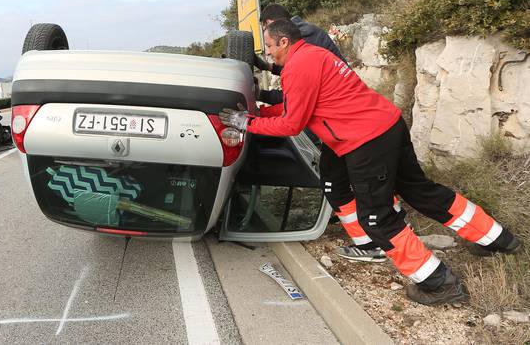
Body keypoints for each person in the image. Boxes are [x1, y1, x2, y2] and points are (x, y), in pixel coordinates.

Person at [220, 19, 521, 305]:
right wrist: (259, 115)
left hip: (366, 141)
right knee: (419, 190)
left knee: (377, 217)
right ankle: (498, 239)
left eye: (270, 46)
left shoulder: (299, 66)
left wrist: (245, 122)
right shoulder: (313, 55)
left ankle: (438, 283)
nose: (268, 53)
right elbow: (298, 106)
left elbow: (291, 125)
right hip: (386, 124)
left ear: (284, 42)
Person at [255, 4, 391, 263]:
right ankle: (370, 235)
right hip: (346, 124)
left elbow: (293, 113)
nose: (270, 53)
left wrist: (251, 122)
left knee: (355, 180)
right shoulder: (307, 39)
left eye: (270, 45)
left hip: (346, 124)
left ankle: (381, 232)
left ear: (275, 28)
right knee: (339, 179)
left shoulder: (305, 46)